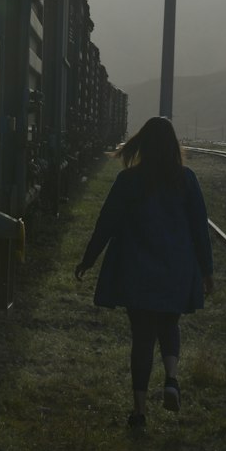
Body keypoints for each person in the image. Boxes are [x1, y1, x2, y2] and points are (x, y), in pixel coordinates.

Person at [74, 116, 214, 429]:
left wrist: (88, 259)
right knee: (169, 323)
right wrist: (207, 271)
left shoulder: (128, 181)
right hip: (175, 269)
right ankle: (172, 379)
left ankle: (138, 413)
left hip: (136, 270)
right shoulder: (186, 180)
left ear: (144, 145)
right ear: (173, 147)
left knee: (142, 338)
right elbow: (199, 230)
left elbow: (106, 223)